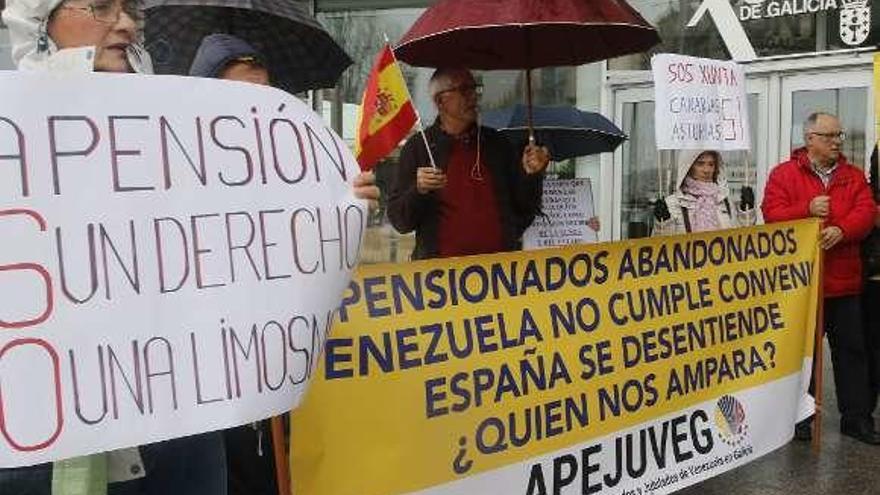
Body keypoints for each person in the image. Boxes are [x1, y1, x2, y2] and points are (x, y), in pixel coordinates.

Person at [0, 2, 221, 494]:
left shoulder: (175, 128)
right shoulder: (9, 138)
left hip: (184, 418)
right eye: (100, 7)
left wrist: (326, 204)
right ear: (40, 21)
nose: (124, 23)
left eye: (128, 8)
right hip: (51, 438)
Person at [762, 111, 880, 445]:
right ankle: (801, 418)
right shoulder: (784, 174)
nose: (836, 142)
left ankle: (856, 419)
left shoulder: (853, 176)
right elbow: (772, 215)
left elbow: (866, 213)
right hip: (803, 285)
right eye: (829, 136)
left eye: (839, 136)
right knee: (803, 356)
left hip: (843, 282)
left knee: (852, 353)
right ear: (810, 138)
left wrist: (841, 231)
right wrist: (807, 209)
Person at [189, 33, 380, 209]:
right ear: (208, 101)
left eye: (267, 91)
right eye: (245, 93)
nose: (261, 103)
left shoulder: (298, 160)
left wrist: (352, 204)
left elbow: (315, 219)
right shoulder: (178, 171)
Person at [388, 67, 550, 259]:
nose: (474, 97)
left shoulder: (497, 144)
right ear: (440, 101)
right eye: (464, 90)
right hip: (440, 279)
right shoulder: (419, 148)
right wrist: (419, 190)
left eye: (475, 89)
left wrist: (532, 175)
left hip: (500, 273)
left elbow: (525, 208)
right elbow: (400, 221)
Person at [652, 150, 755, 236]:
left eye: (711, 164)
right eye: (700, 164)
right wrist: (663, 223)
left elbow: (741, 239)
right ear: (688, 167)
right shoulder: (673, 203)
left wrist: (746, 211)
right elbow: (663, 247)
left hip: (722, 259)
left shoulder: (724, 200)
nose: (707, 170)